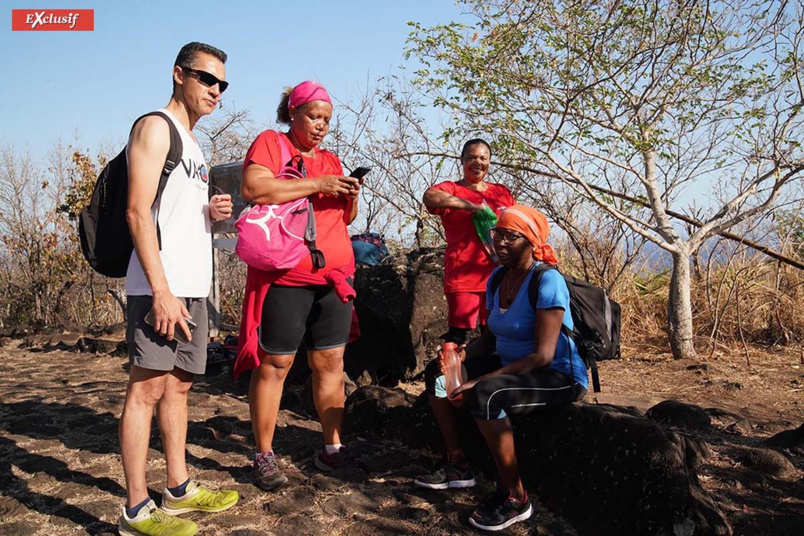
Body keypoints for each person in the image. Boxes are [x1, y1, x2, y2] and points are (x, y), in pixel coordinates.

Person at [118, 42, 238, 536]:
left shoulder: (193, 143)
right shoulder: (155, 127)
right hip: (159, 288)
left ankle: (179, 488)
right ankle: (134, 509)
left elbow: (176, 217)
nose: (216, 91)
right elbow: (136, 211)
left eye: (223, 85)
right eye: (207, 80)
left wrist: (210, 216)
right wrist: (161, 292)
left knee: (180, 387)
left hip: (191, 286)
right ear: (178, 75)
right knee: (145, 390)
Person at [414, 205, 588, 532]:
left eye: (512, 236)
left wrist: (478, 380)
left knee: (485, 395)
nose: (501, 243)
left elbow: (542, 356)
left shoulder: (547, 280)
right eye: (498, 234)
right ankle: (458, 464)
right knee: (437, 377)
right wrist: (461, 357)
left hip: (558, 374)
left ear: (531, 241)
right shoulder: (497, 278)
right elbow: (491, 338)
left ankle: (515, 496)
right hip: (511, 363)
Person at [239, 81, 361, 492]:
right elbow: (254, 189)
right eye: (313, 116)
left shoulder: (331, 158)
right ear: (292, 113)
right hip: (286, 277)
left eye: (327, 119)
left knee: (330, 364)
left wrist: (349, 192)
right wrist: (318, 185)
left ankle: (332, 448)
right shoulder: (272, 144)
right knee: (276, 364)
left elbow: (344, 220)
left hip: (334, 278)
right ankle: (264, 454)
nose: (321, 125)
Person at [422, 139, 515, 345]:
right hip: (464, 276)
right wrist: (472, 207)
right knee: (459, 336)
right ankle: (449, 376)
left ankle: (490, 377)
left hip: (499, 275)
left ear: (490, 162)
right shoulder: (452, 189)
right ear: (462, 160)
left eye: (483, 158)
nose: (477, 162)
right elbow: (429, 197)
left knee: (496, 335)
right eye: (471, 158)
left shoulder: (501, 192)